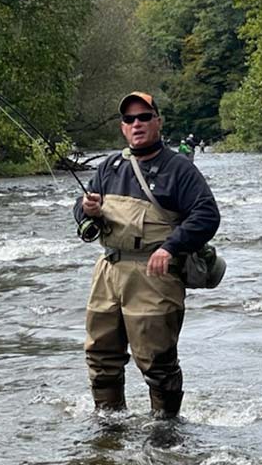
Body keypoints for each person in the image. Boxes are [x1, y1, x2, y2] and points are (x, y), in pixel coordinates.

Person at [74, 92, 221, 417]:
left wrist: (171, 247)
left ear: (158, 121)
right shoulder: (109, 167)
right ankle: (109, 424)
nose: (136, 124)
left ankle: (166, 430)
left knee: (157, 362)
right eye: (129, 119)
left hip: (155, 276)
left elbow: (207, 215)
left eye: (143, 117)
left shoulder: (179, 169)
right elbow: (81, 214)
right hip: (108, 273)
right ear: (123, 127)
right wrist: (87, 211)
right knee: (100, 355)